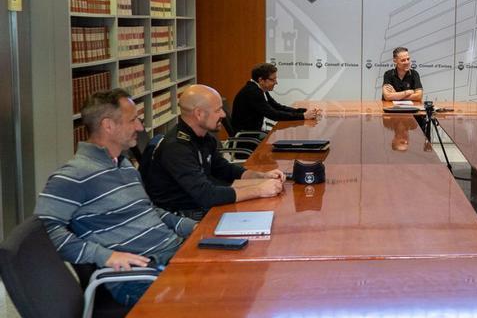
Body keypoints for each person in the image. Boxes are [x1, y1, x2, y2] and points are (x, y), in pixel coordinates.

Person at [34, 89, 196, 306]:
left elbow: (148, 210)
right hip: (139, 276)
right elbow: (44, 230)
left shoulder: (123, 164)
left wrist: (193, 227)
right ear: (108, 125)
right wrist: (105, 256)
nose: (140, 127)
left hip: (173, 254)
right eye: (133, 120)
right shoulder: (73, 175)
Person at [142, 84, 284, 221]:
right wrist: (258, 190)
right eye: (217, 110)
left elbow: (223, 169)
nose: (223, 114)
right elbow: (206, 195)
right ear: (199, 113)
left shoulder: (204, 137)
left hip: (201, 205)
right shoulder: (177, 148)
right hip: (185, 214)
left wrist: (260, 176)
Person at [231, 62, 319, 133]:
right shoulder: (253, 92)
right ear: (261, 80)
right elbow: (274, 115)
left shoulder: (259, 89)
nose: (276, 82)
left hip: (255, 132)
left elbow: (277, 106)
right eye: (273, 79)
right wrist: (302, 116)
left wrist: (302, 111)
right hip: (248, 138)